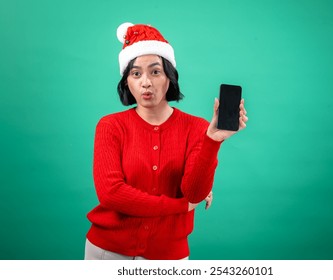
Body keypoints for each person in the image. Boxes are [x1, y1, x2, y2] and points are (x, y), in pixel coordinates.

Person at [84, 22, 248, 260]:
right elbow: (111, 194)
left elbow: (194, 193)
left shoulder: (197, 128)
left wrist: (212, 140)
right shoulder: (110, 126)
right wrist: (179, 207)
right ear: (127, 81)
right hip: (107, 253)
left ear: (170, 77)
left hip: (169, 257)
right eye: (136, 73)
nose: (146, 82)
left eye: (155, 71)